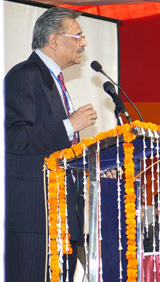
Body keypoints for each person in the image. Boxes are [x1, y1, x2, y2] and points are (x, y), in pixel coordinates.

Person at [5, 7, 97, 282]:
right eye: (78, 36)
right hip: (35, 217)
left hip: (63, 213)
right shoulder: (24, 76)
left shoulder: (55, 80)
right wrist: (70, 125)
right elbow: (15, 138)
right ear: (54, 40)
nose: (84, 43)